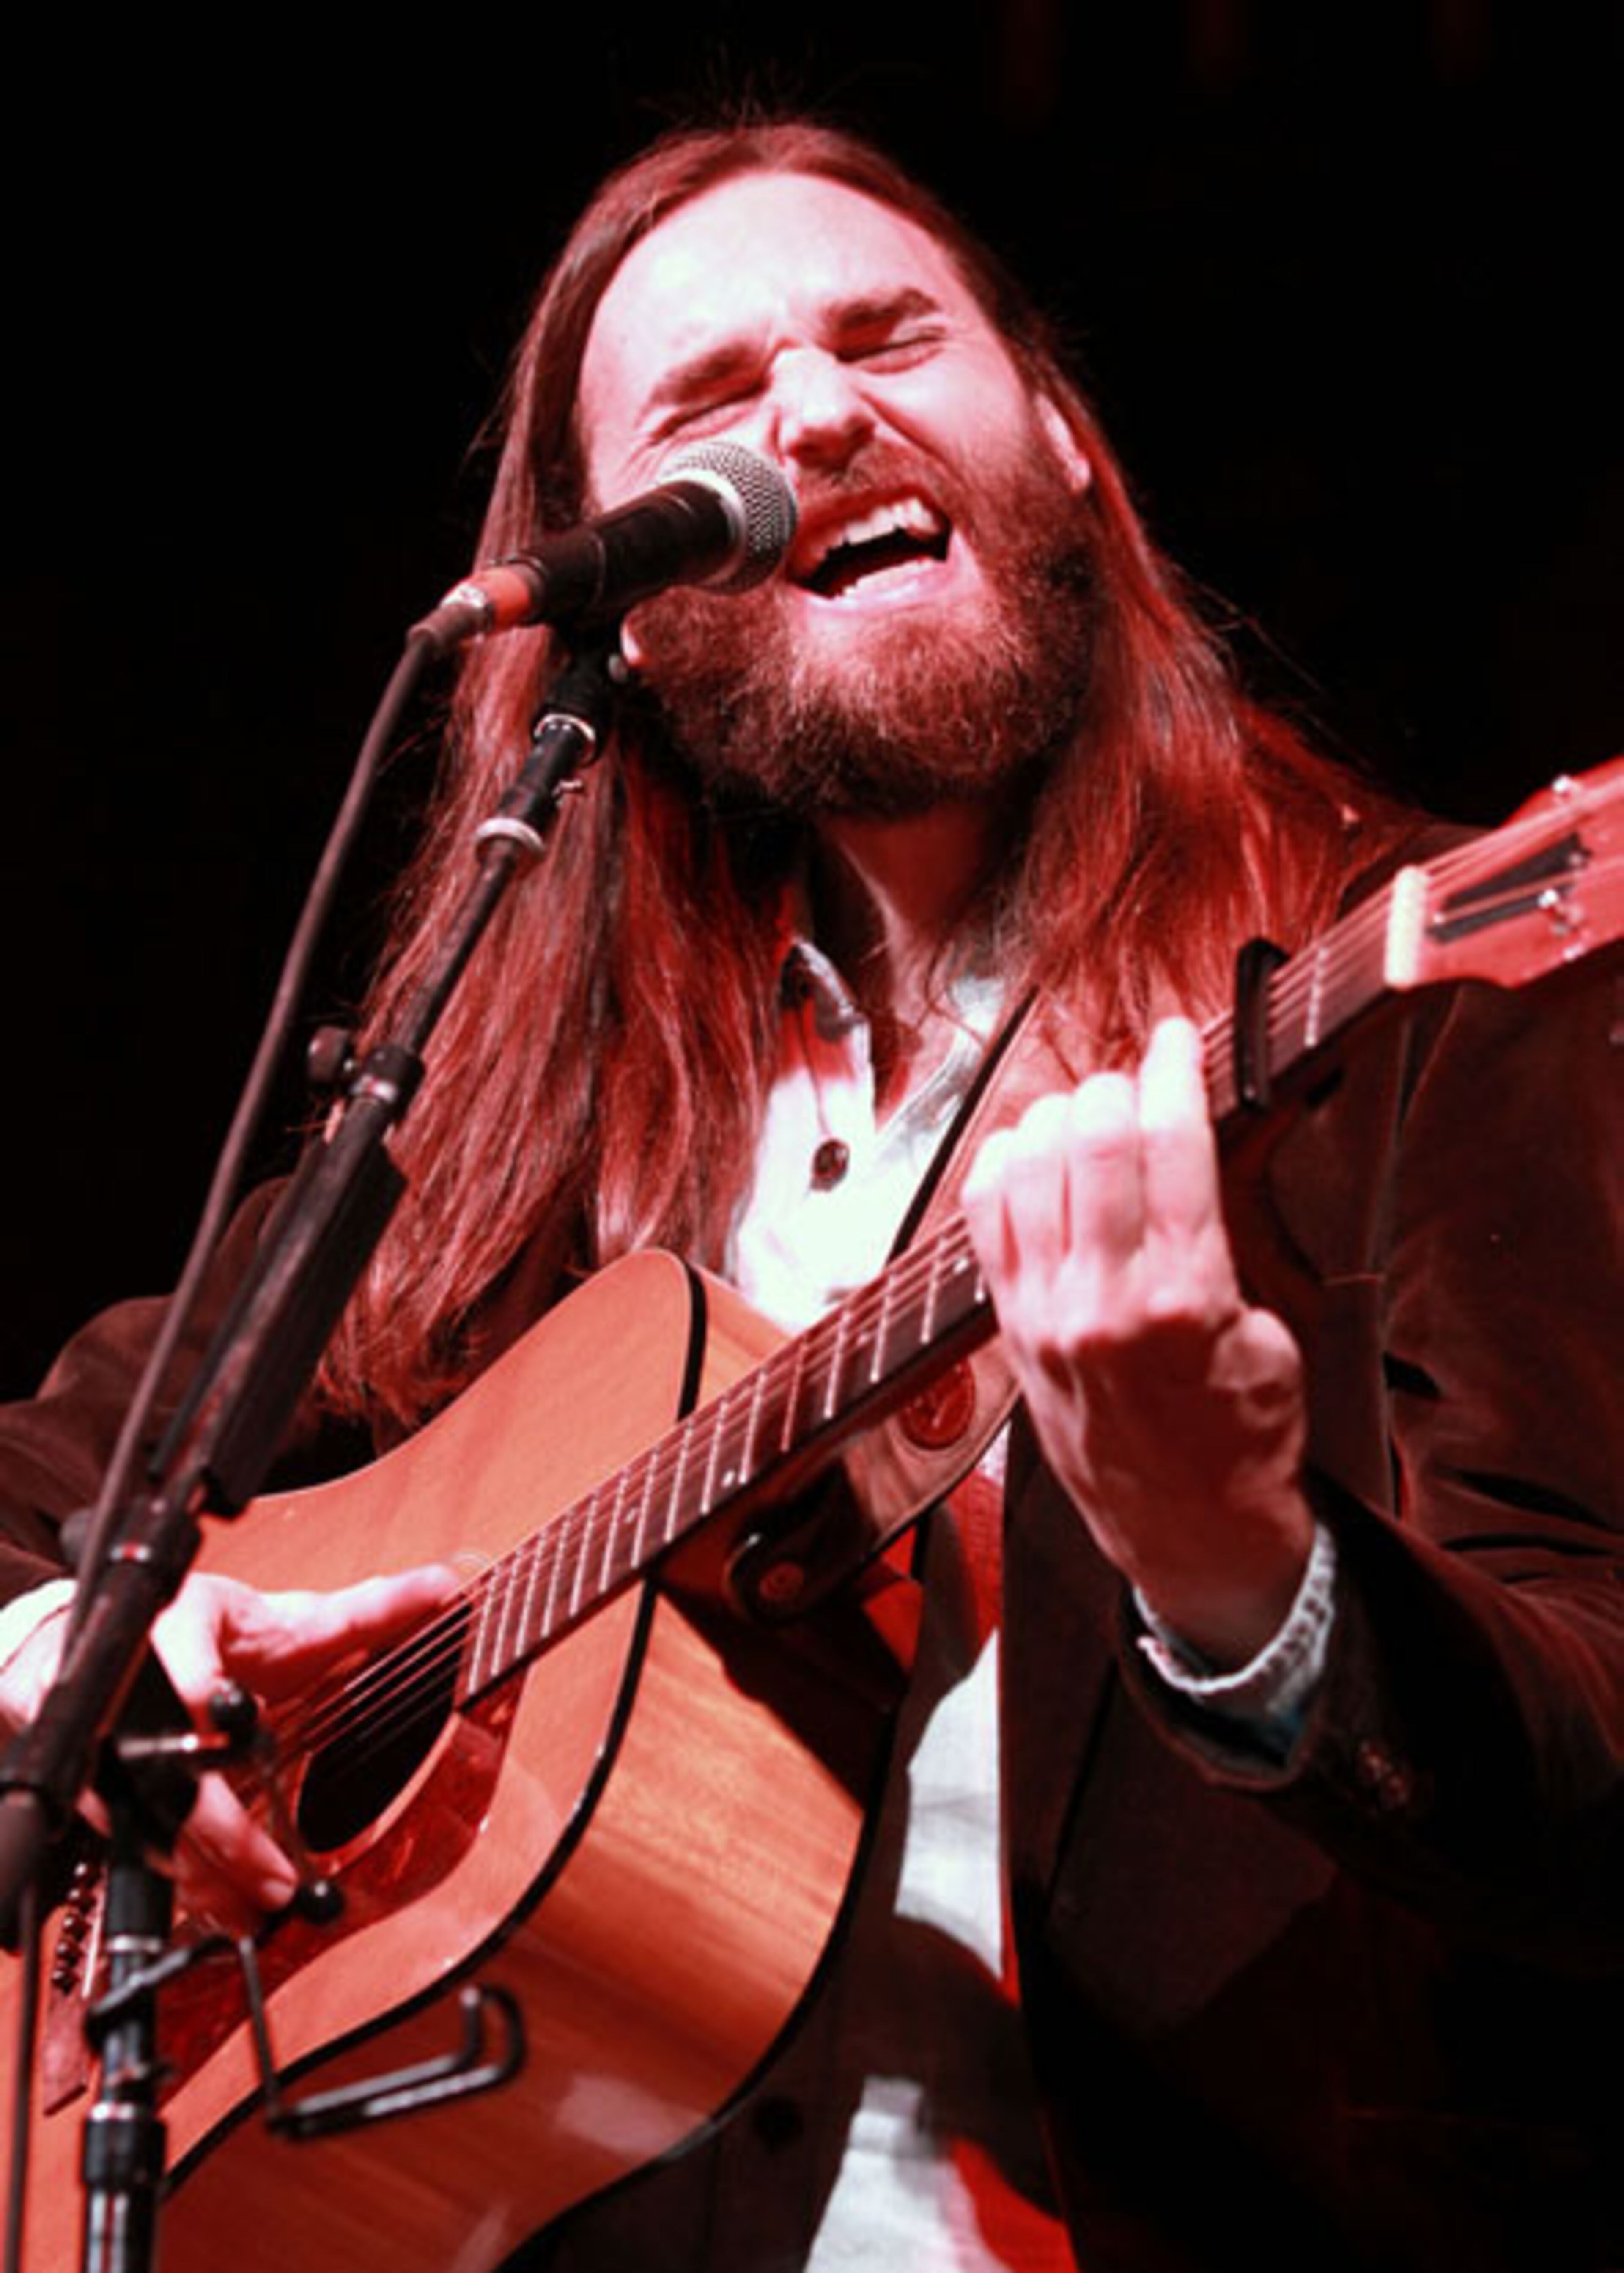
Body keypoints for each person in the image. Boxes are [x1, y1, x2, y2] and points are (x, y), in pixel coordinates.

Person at [3, 118, 1622, 2273]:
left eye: (890, 338)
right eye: (707, 406)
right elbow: (52, 1501)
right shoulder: (516, 1140)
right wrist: (66, 1652)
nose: (818, 412)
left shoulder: (1417, 998)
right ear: (632, 618)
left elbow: (1601, 1756)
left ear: (1055, 438)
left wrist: (1249, 1574)